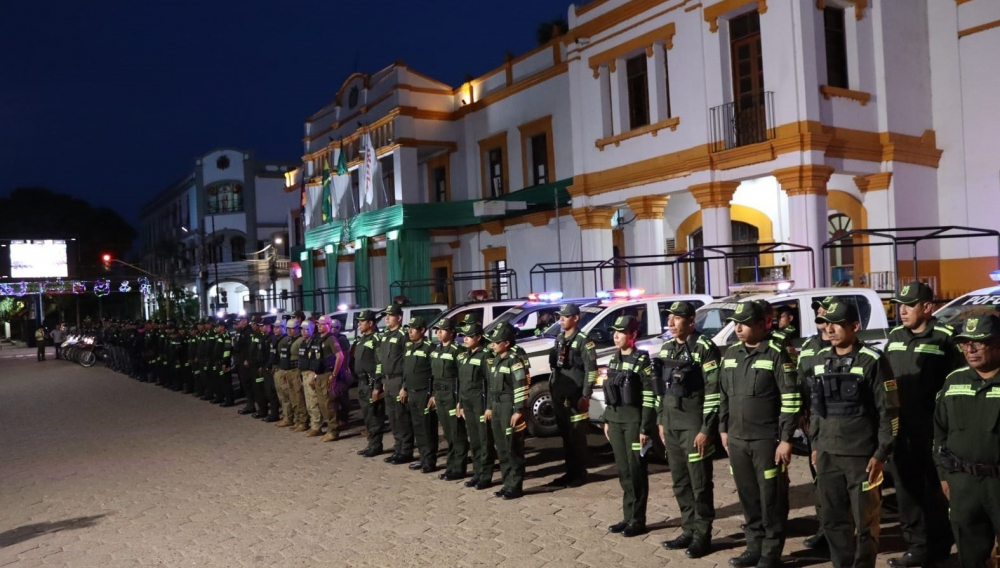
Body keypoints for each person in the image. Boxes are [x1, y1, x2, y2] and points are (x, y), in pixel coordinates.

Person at [810, 301, 899, 568]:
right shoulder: (820, 360)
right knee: (833, 520)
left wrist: (881, 453)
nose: (830, 328)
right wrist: (815, 444)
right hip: (827, 454)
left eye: (837, 323)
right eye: (827, 323)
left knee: (865, 522)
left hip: (861, 457)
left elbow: (890, 411)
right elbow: (816, 409)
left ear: (855, 326)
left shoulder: (872, 360)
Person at [885, 281, 962, 568]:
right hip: (901, 429)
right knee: (906, 490)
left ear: (928, 307)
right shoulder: (894, 336)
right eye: (900, 305)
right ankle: (916, 547)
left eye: (909, 305)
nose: (902, 311)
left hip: (933, 429)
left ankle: (941, 547)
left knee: (937, 490)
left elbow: (956, 384)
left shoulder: (945, 338)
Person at [719, 300, 801, 568]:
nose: (738, 328)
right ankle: (753, 547)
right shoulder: (731, 354)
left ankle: (771, 552)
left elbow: (790, 399)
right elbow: (723, 396)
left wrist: (786, 439)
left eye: (744, 324)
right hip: (738, 439)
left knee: (772, 498)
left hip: (767, 441)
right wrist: (722, 429)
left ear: (761, 324)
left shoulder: (777, 353)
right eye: (735, 324)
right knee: (748, 496)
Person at [656, 301, 722, 558]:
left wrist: (707, 428)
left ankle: (702, 536)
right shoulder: (666, 347)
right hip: (672, 426)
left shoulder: (704, 348)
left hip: (694, 426)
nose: (671, 323)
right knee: (680, 482)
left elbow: (714, 392)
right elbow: (661, 389)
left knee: (700, 483)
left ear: (691, 321)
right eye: (669, 318)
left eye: (677, 318)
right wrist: (661, 420)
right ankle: (688, 529)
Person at [934, 314, 1000, 568]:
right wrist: (943, 474)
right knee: (970, 557)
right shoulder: (954, 380)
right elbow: (939, 433)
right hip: (963, 485)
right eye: (964, 343)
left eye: (979, 342)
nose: (969, 349)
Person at [602, 315, 656, 538]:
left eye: (621, 332)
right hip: (615, 421)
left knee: (635, 471)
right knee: (623, 471)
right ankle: (627, 517)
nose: (616, 336)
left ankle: (638, 519)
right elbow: (609, 394)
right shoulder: (613, 359)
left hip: (633, 422)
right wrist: (606, 420)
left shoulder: (642, 361)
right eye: (615, 331)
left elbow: (648, 396)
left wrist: (645, 427)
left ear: (633, 335)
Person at [798, 296, 835, 551]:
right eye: (818, 311)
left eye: (825, 310)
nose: (820, 315)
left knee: (836, 481)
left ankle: (839, 530)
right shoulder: (809, 346)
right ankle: (825, 528)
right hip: (814, 423)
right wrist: (801, 412)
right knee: (818, 478)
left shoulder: (842, 345)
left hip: (838, 423)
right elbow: (801, 380)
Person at [548, 302, 598, 488]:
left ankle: (579, 474)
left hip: (576, 396)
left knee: (577, 437)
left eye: (565, 316)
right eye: (559, 316)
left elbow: (591, 370)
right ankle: (570, 473)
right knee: (566, 437)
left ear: (575, 318)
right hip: (560, 395)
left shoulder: (584, 340)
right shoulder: (560, 338)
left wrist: (586, 395)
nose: (561, 319)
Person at [484, 322, 529, 500]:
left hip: (509, 406)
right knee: (501, 448)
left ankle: (515, 486)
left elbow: (520, 385)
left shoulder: (514, 360)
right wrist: (488, 407)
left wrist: (518, 410)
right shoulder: (495, 360)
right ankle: (506, 483)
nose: (493, 344)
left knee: (513, 448)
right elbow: (491, 387)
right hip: (496, 407)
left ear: (507, 343)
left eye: (497, 342)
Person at [456, 320, 494, 489]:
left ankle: (485, 476)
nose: (466, 339)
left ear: (478, 337)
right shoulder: (463, 356)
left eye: (470, 336)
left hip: (480, 402)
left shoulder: (486, 355)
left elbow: (491, 383)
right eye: (465, 336)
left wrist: (489, 406)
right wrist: (460, 403)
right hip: (468, 402)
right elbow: (461, 382)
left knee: (484, 440)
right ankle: (477, 473)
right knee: (474, 440)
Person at [430, 318, 468, 480]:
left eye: (443, 330)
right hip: (440, 395)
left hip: (452, 395)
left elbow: (462, 377)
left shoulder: (457, 351)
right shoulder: (436, 350)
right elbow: (434, 376)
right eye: (437, 329)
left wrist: (460, 400)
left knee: (456, 432)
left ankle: (459, 468)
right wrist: (433, 394)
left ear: (452, 332)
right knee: (447, 433)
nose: (439, 332)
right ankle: (450, 466)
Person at [401, 317, 438, 473]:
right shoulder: (409, 347)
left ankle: (429, 462)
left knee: (427, 428)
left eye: (413, 328)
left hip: (425, 393)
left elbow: (436, 373)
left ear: (422, 330)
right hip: (412, 393)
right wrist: (404, 387)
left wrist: (434, 394)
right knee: (417, 428)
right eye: (409, 328)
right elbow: (407, 370)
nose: (410, 331)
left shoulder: (429, 348)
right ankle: (422, 459)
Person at [377, 304, 412, 465]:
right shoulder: (385, 335)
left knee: (401, 416)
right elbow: (382, 360)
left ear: (399, 317)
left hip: (398, 380)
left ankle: (405, 451)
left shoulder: (402, 335)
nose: (387, 318)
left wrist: (405, 386)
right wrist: (383, 381)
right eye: (386, 315)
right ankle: (397, 448)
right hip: (388, 380)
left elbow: (407, 363)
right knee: (392, 417)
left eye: (390, 315)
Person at [352, 310, 384, 457]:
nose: (359, 323)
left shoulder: (376, 339)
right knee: (367, 415)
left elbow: (380, 363)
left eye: (362, 321)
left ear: (371, 323)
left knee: (374, 415)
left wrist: (378, 386)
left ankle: (376, 445)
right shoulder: (362, 339)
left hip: (371, 382)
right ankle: (371, 443)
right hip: (362, 382)